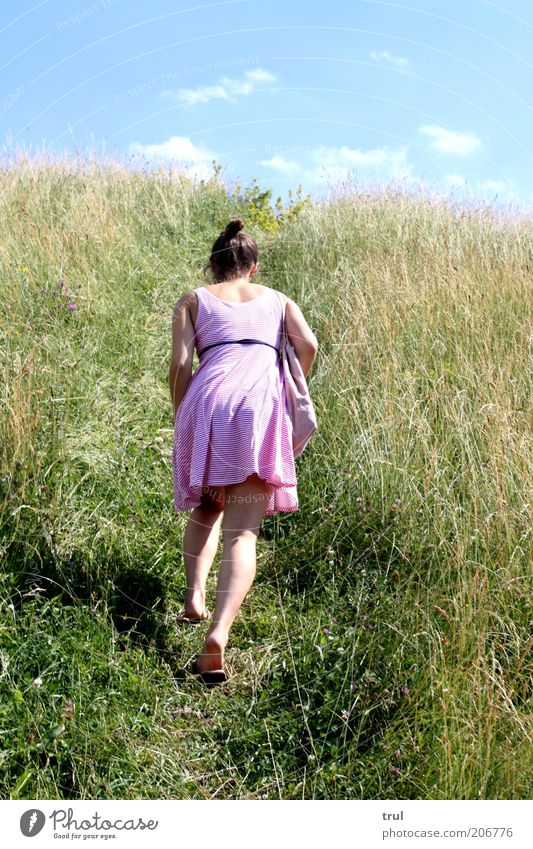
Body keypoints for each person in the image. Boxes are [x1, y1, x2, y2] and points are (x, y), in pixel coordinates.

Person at [169, 218, 318, 684]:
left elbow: (179, 364)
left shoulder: (194, 300)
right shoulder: (278, 301)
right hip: (257, 408)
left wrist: (182, 415)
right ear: (253, 267)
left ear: (213, 265)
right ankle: (218, 634)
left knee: (207, 507)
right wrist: (287, 377)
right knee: (243, 534)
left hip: (208, 401)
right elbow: (308, 345)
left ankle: (194, 594)